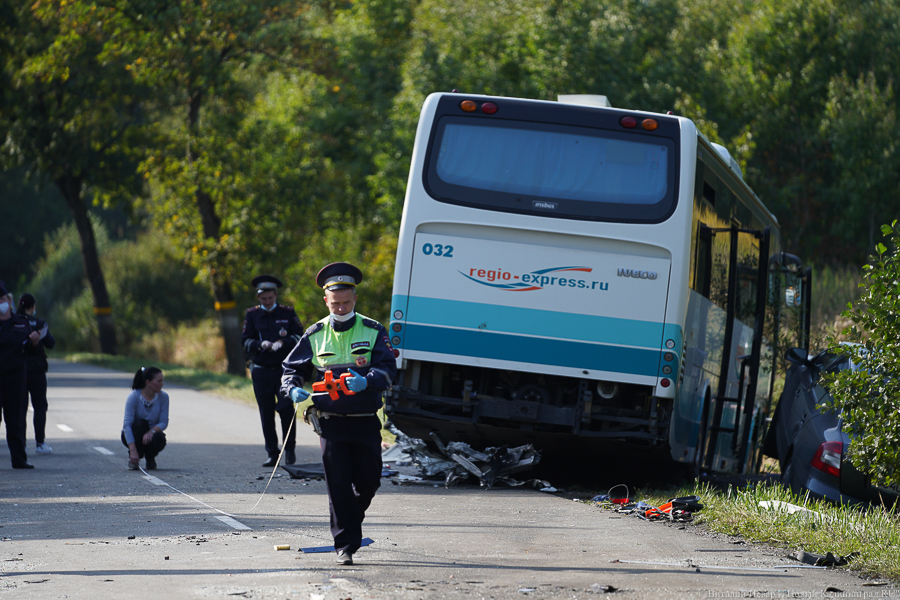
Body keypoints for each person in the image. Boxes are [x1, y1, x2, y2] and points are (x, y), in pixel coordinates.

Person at [281, 262, 397, 565]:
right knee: (338, 485)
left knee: (369, 482)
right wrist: (292, 388)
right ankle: (344, 546)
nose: (342, 308)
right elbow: (291, 369)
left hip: (365, 422)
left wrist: (367, 381)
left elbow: (388, 370)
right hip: (330, 423)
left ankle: (350, 521)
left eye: (347, 302)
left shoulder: (373, 330)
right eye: (336, 303)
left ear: (355, 299)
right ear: (326, 302)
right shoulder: (315, 334)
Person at [242, 274, 304, 467]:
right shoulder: (252, 315)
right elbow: (245, 340)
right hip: (261, 370)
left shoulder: (287, 313)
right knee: (266, 413)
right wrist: (261, 344)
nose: (267, 301)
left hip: (284, 370)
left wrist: (282, 343)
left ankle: (290, 450)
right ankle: (272, 453)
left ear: (276, 295)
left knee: (286, 409)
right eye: (263, 298)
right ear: (258, 298)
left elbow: (299, 336)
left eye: (270, 298)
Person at [0, 280, 40, 469]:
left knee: (15, 420)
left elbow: (31, 353)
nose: (2, 303)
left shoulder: (22, 323)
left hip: (16, 378)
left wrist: (34, 343)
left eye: (3, 299)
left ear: (8, 300)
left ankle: (19, 458)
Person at [17, 293, 56, 454]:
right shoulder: (40, 324)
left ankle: (22, 443)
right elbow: (51, 343)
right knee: (39, 406)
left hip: (19, 371)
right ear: (33, 307)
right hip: (37, 371)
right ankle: (40, 443)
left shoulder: (14, 322)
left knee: (20, 408)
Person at [121, 366, 169, 470]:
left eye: (162, 381)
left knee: (159, 437)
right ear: (148, 382)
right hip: (134, 433)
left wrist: (151, 431)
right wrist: (132, 449)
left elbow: (164, 422)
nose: (162, 384)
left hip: (151, 435)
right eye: (159, 381)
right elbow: (127, 425)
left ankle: (150, 457)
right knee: (142, 423)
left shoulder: (164, 397)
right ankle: (134, 457)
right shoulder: (133, 397)